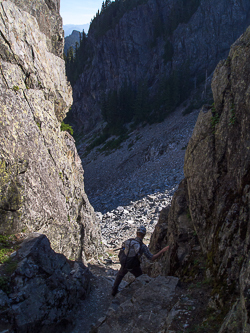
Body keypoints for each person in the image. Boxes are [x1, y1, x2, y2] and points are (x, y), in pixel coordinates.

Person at [112, 226, 169, 296]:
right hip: (134, 265)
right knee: (140, 277)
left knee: (120, 275)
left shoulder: (128, 241)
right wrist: (162, 250)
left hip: (125, 263)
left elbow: (122, 251)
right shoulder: (142, 246)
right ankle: (143, 294)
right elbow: (152, 258)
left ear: (136, 233)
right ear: (144, 235)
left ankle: (114, 292)